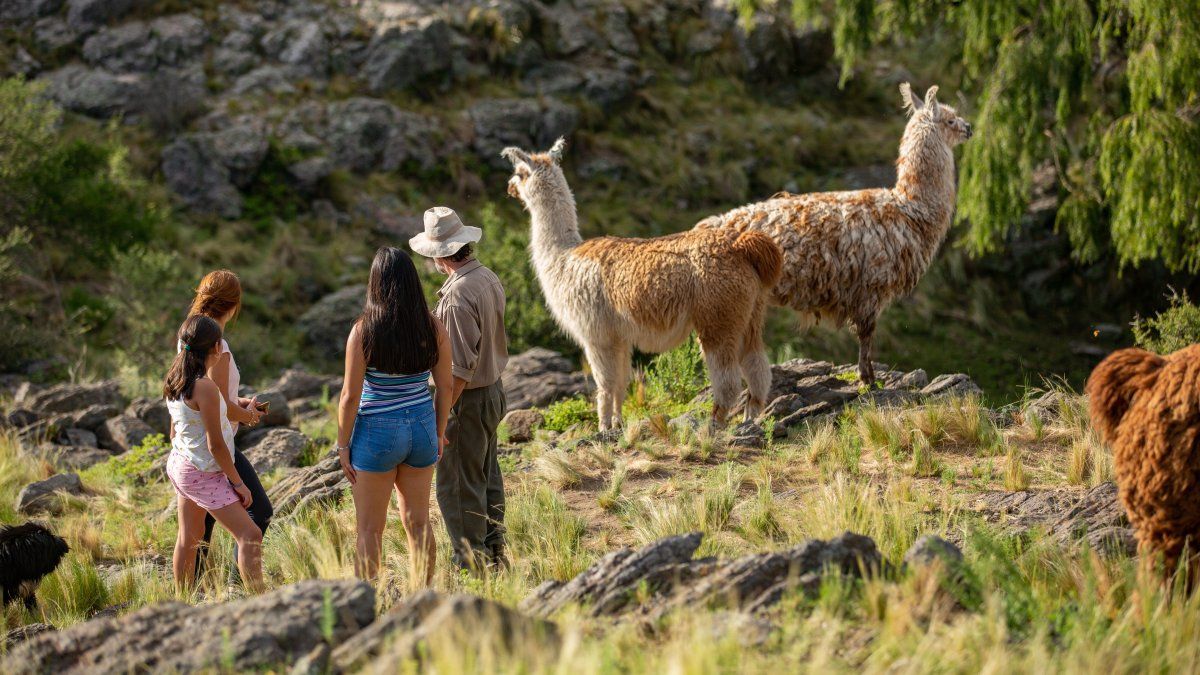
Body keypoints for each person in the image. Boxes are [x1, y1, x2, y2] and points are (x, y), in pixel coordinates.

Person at [336, 247, 453, 584]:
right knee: (419, 522)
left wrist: (342, 446)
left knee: (370, 529)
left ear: (376, 283)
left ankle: (366, 601)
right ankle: (423, 595)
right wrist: (439, 431)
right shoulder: (432, 326)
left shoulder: (364, 331)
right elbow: (445, 385)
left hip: (377, 432)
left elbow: (349, 397)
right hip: (422, 428)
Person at [409, 206, 509, 571]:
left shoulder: (456, 296)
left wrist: (439, 422)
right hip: (493, 391)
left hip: (466, 401)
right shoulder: (487, 277)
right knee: (486, 475)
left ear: (439, 255)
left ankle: (471, 566)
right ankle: (494, 555)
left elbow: (458, 372)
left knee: (458, 487)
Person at [164, 315, 265, 593]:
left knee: (189, 537)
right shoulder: (205, 387)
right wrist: (237, 482)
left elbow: (185, 424)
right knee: (250, 535)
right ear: (217, 348)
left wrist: (242, 408)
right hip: (202, 472)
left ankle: (182, 602)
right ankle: (261, 603)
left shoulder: (176, 378)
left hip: (182, 463)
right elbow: (216, 445)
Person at [187, 270, 270, 582]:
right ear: (234, 305)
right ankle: (241, 578)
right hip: (215, 444)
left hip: (190, 444)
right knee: (259, 512)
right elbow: (220, 406)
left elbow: (209, 395)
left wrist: (241, 402)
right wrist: (248, 416)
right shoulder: (217, 346)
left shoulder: (189, 335)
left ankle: (195, 589)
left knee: (199, 526)